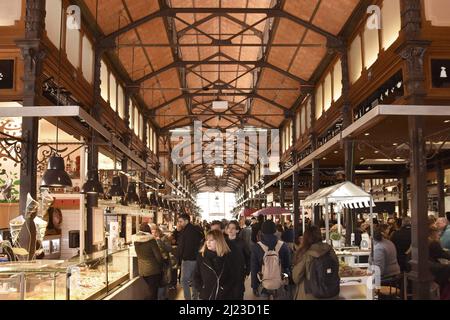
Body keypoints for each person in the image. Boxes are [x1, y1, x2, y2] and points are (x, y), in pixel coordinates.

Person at [292, 225, 340, 300]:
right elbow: (336, 267)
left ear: (305, 238)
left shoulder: (305, 254)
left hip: (310, 294)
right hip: (331, 293)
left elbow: (296, 277)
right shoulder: (330, 250)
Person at [193, 230, 240, 300]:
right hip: (206, 295)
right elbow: (196, 275)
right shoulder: (201, 256)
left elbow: (233, 276)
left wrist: (223, 289)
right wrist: (201, 289)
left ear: (219, 241)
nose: (208, 242)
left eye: (211, 240)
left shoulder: (228, 257)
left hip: (223, 296)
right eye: (207, 240)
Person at [251, 220, 291, 297]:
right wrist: (286, 280)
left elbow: (254, 268)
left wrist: (254, 286)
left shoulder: (256, 247)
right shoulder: (283, 245)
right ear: (275, 230)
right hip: (279, 281)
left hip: (263, 282)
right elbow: (287, 265)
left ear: (262, 231)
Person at [177, 213, 204, 300]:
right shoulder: (196, 229)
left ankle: (187, 298)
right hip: (196, 259)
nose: (179, 223)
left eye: (180, 221)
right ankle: (195, 298)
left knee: (184, 281)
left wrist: (179, 259)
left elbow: (181, 247)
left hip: (187, 260)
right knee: (194, 280)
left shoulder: (184, 232)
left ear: (186, 221)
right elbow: (202, 238)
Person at [132, 223, 163, 300]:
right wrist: (162, 265)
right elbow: (158, 256)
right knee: (153, 291)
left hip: (142, 270)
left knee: (151, 289)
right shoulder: (151, 241)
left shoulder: (136, 242)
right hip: (153, 270)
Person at [226, 221, 250, 300]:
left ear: (237, 230)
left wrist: (247, 271)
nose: (230, 230)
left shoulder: (242, 242)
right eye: (229, 228)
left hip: (239, 272)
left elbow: (248, 257)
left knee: (238, 293)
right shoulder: (223, 242)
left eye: (233, 228)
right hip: (227, 273)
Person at [150, 225, 173, 300]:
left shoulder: (164, 238)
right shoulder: (151, 239)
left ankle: (164, 297)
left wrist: (159, 241)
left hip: (164, 262)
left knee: (164, 281)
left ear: (157, 231)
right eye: (151, 232)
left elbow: (169, 248)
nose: (153, 233)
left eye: (154, 231)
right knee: (161, 282)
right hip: (156, 264)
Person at [428, 225, 450, 299]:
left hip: (427, 266)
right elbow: (442, 254)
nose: (439, 234)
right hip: (430, 269)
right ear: (433, 233)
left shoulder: (425, 241)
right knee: (447, 269)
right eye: (437, 232)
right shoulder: (433, 242)